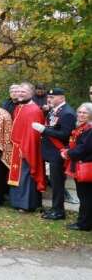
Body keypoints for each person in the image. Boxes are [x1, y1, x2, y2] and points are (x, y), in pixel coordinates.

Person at [32, 87, 76, 220]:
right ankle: (54, 208)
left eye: (52, 97)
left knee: (57, 183)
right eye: (48, 97)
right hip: (50, 152)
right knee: (54, 182)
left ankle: (59, 211)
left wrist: (44, 130)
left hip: (58, 152)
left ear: (62, 98)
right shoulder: (54, 110)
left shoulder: (67, 113)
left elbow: (64, 134)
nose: (49, 99)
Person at [8, 82, 46, 212]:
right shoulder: (19, 107)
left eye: (23, 92)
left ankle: (26, 204)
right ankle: (16, 202)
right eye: (18, 91)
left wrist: (25, 150)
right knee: (17, 176)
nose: (20, 94)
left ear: (31, 93)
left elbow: (33, 135)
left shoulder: (34, 110)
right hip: (16, 147)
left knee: (26, 176)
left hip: (26, 149)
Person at [61, 103, 92, 231]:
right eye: (79, 112)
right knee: (85, 196)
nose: (81, 115)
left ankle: (83, 224)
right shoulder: (82, 128)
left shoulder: (89, 129)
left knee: (85, 197)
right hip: (82, 164)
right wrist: (67, 149)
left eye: (84, 113)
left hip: (85, 165)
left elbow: (83, 148)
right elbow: (76, 144)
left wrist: (67, 153)